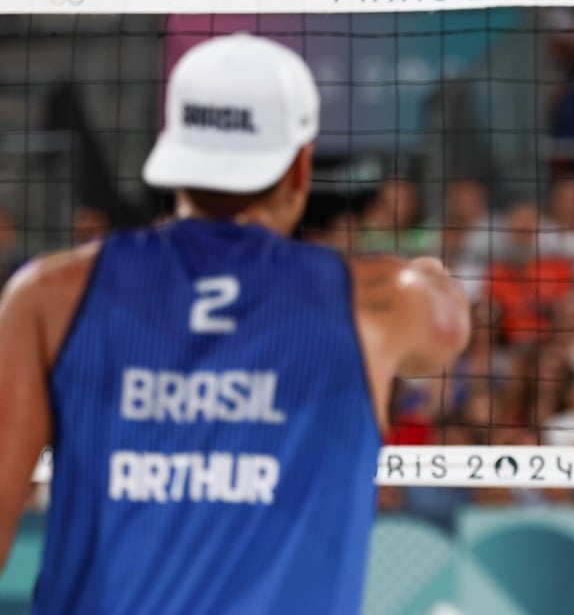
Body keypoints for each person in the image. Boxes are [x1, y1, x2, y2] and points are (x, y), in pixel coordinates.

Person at [0, 34, 471, 615]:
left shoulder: (46, 294)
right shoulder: (380, 301)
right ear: (301, 166)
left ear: (171, 151)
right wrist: (428, 275)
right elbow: (451, 323)